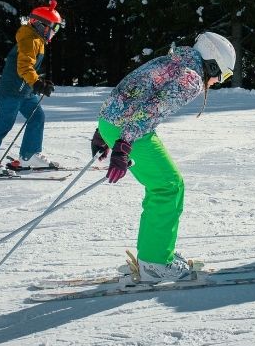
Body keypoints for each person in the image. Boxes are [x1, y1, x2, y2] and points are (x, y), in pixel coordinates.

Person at [91, 32, 235, 283]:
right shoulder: (191, 78)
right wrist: (123, 144)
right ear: (213, 63)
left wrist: (103, 131)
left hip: (113, 121)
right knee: (169, 186)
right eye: (223, 74)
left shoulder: (172, 60)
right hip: (130, 129)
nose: (218, 81)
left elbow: (129, 88)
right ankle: (155, 262)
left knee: (161, 185)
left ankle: (154, 254)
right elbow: (151, 110)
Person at [0, 0, 64, 175]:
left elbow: (29, 67)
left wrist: (40, 81)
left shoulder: (37, 39)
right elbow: (24, 67)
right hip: (13, 88)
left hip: (26, 90)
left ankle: (29, 155)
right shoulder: (29, 39)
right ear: (41, 25)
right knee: (4, 123)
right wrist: (37, 82)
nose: (55, 32)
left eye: (57, 28)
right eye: (54, 27)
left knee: (37, 117)